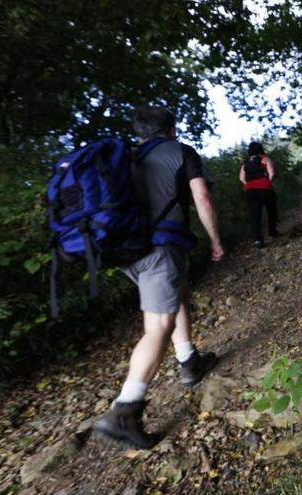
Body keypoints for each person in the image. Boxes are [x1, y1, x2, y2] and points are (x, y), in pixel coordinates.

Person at [94, 106, 225, 448]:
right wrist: (215, 239)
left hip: (129, 250)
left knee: (178, 291)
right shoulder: (181, 152)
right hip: (159, 250)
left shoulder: (127, 158)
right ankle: (124, 410)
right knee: (157, 327)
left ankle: (189, 361)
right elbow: (201, 196)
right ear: (172, 126)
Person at [239, 141, 278, 247]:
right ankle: (272, 231)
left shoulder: (245, 162)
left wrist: (248, 184)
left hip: (250, 190)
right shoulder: (265, 159)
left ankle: (258, 240)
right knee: (271, 210)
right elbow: (272, 173)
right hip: (265, 188)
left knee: (255, 215)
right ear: (261, 149)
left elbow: (241, 178)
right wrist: (268, 182)